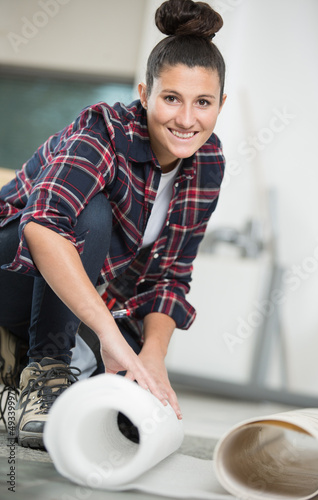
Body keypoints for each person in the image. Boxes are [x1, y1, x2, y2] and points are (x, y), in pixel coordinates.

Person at [0, 0, 226, 449]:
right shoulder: (103, 129)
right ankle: (45, 371)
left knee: (127, 419)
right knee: (90, 209)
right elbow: (44, 225)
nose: (186, 119)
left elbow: (170, 278)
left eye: (203, 102)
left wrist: (151, 357)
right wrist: (107, 335)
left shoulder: (208, 163)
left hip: (75, 297)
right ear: (145, 95)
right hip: (11, 269)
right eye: (171, 98)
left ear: (221, 104)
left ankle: (30, 369)